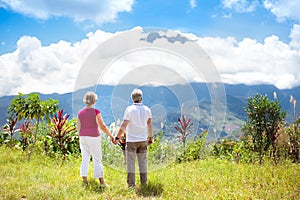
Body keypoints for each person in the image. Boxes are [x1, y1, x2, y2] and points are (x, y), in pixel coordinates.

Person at [114, 88, 153, 188]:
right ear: (141, 98)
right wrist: (150, 137)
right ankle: (144, 183)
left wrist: (117, 137)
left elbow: (124, 125)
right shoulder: (147, 109)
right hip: (143, 139)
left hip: (131, 141)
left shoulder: (129, 109)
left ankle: (131, 185)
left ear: (132, 98)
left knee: (130, 164)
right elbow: (150, 125)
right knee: (142, 162)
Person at [76, 91, 114, 187]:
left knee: (85, 159)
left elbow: (78, 127)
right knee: (97, 159)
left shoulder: (80, 113)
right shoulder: (96, 112)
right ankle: (102, 183)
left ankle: (85, 182)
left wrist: (81, 137)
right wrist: (111, 136)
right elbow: (103, 126)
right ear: (94, 101)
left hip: (83, 137)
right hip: (94, 138)